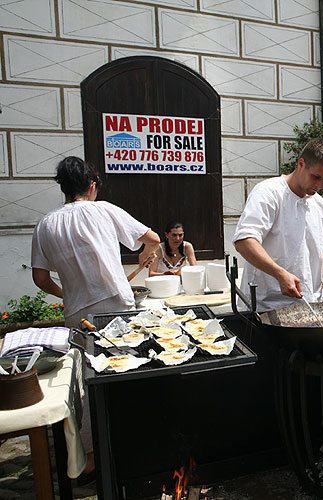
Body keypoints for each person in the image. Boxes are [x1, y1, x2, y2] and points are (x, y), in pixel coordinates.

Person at [31, 155, 160, 481]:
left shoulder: (46, 224)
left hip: (78, 314)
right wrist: (147, 255)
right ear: (92, 185)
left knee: (87, 382)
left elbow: (40, 278)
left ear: (63, 188)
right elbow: (153, 238)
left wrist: (68, 294)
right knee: (126, 370)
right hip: (117, 306)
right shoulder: (103, 209)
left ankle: (90, 457)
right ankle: (130, 444)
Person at [233, 138, 323, 312]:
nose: (319, 185)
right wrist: (280, 274)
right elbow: (244, 241)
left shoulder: (319, 205)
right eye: (316, 177)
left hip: (308, 307)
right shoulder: (268, 193)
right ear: (301, 163)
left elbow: (316, 252)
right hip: (265, 308)